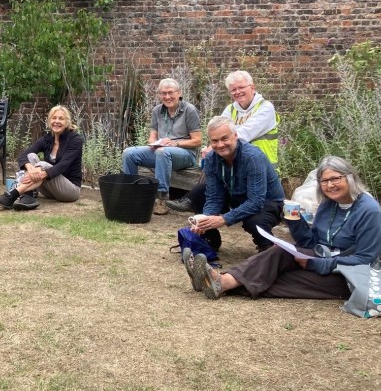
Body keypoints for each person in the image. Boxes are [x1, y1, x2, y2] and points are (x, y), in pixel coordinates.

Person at [185, 156, 381, 300]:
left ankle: (221, 282)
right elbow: (310, 243)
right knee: (279, 252)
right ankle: (222, 281)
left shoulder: (369, 211)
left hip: (352, 276)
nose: (330, 185)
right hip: (324, 257)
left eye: (336, 179)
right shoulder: (328, 204)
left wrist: (319, 265)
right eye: (324, 181)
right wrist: (294, 221)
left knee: (285, 278)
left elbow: (365, 259)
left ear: (350, 178)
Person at [167, 70, 278, 213]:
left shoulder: (265, 108)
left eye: (241, 87)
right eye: (233, 90)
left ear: (252, 87)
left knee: (215, 154)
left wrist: (217, 145)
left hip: (260, 164)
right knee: (211, 157)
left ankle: (193, 198)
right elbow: (218, 130)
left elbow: (244, 134)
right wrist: (209, 148)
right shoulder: (230, 109)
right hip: (235, 160)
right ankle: (200, 202)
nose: (237, 92)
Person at [190, 116, 284, 253]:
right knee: (199, 192)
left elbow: (256, 201)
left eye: (224, 138)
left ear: (235, 136)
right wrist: (206, 220)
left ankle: (266, 247)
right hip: (238, 196)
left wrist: (224, 219)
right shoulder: (211, 158)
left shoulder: (252, 157)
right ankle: (210, 241)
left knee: (254, 220)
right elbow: (214, 196)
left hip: (267, 201)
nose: (220, 145)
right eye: (214, 141)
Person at [120, 78, 202, 215]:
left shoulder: (189, 110)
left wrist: (175, 143)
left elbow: (197, 141)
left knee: (162, 152)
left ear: (179, 93)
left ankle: (161, 199)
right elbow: (152, 136)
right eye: (163, 93)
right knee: (129, 153)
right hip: (162, 151)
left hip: (186, 155)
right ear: (159, 95)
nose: (167, 97)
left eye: (170, 93)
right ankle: (132, 194)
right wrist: (153, 144)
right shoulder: (157, 111)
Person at [0, 105, 84, 211]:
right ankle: (28, 197)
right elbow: (23, 155)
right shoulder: (47, 138)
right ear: (49, 121)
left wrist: (41, 174)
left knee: (43, 165)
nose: (57, 121)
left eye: (61, 118)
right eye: (54, 118)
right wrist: (31, 170)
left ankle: (12, 195)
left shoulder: (75, 140)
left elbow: (63, 165)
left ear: (67, 122)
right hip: (49, 191)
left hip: (70, 191)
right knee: (31, 156)